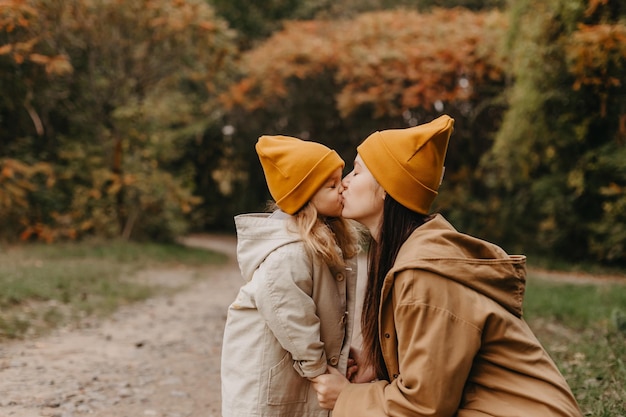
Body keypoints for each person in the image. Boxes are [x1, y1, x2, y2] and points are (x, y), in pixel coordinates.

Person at [310, 115, 583, 416]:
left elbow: (424, 406)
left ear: (388, 186)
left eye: (357, 172)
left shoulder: (423, 274)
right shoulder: (413, 255)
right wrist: (381, 362)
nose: (345, 182)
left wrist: (345, 397)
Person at [220, 134, 360, 417]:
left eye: (341, 179)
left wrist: (340, 354)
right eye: (332, 185)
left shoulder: (319, 240)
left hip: (297, 369)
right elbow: (291, 316)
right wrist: (319, 370)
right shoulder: (288, 254)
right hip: (267, 379)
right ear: (305, 197)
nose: (343, 187)